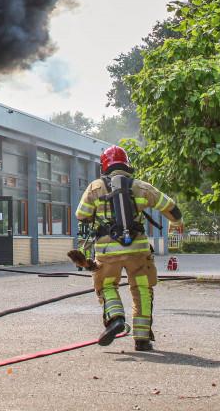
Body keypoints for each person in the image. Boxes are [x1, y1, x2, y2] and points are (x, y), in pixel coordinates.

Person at [71, 144, 183, 352]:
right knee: (142, 289)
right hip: (138, 252)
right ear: (127, 165)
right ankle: (141, 338)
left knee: (107, 286)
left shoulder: (94, 188)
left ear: (104, 166)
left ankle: (115, 318)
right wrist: (175, 222)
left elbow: (81, 215)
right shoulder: (142, 187)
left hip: (107, 252)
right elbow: (173, 211)